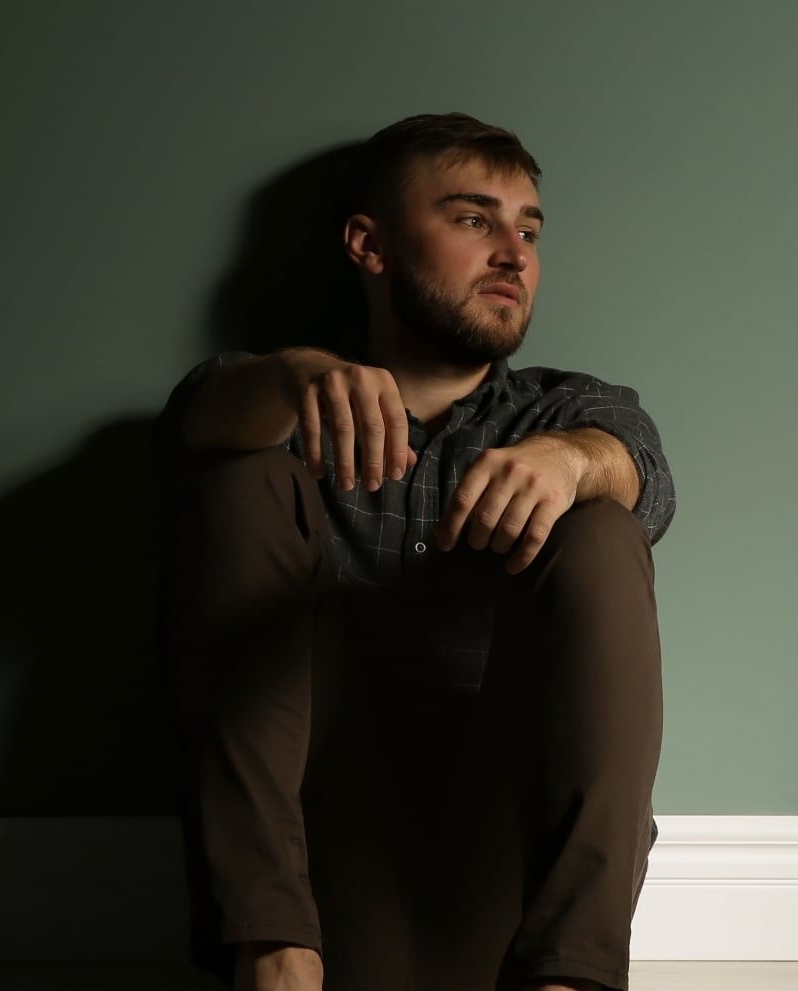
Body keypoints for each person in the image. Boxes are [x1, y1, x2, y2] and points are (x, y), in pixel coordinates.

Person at [154, 112, 675, 991]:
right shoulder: (269, 400)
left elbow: (644, 474)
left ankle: (571, 983)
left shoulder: (569, 407)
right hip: (308, 880)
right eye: (475, 220)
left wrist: (574, 459)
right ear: (369, 245)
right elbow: (195, 427)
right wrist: (295, 377)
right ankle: (271, 965)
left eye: (529, 229)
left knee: (601, 522)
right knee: (239, 480)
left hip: (500, 880)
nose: (513, 251)